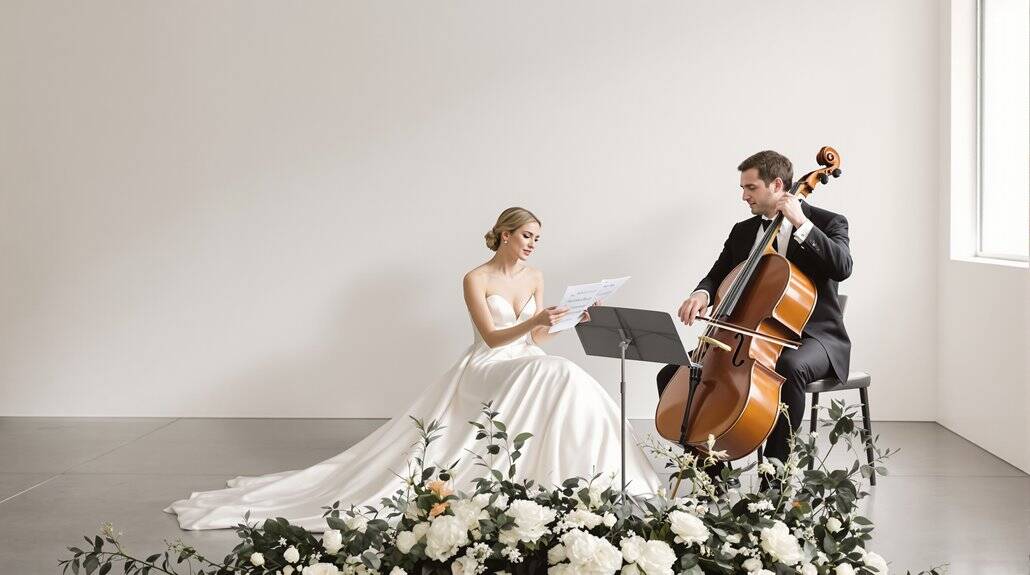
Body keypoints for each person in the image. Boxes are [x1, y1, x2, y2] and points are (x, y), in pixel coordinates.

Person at [166, 207, 661, 531]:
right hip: (487, 366)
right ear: (504, 235)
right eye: (526, 236)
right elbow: (491, 336)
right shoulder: (475, 277)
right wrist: (534, 318)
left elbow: (535, 339)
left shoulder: (534, 276)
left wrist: (566, 318)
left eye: (538, 238)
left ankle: (587, 478)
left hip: (525, 360)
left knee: (567, 375)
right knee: (554, 373)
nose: (533, 245)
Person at [656, 150, 852, 466]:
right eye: (743, 189)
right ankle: (710, 475)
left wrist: (801, 224)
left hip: (813, 339)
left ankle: (773, 480)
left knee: (788, 367)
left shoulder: (828, 222)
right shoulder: (743, 231)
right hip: (752, 339)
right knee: (673, 374)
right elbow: (717, 274)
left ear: (776, 184)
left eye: (751, 188)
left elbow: (842, 266)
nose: (744, 196)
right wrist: (701, 295)